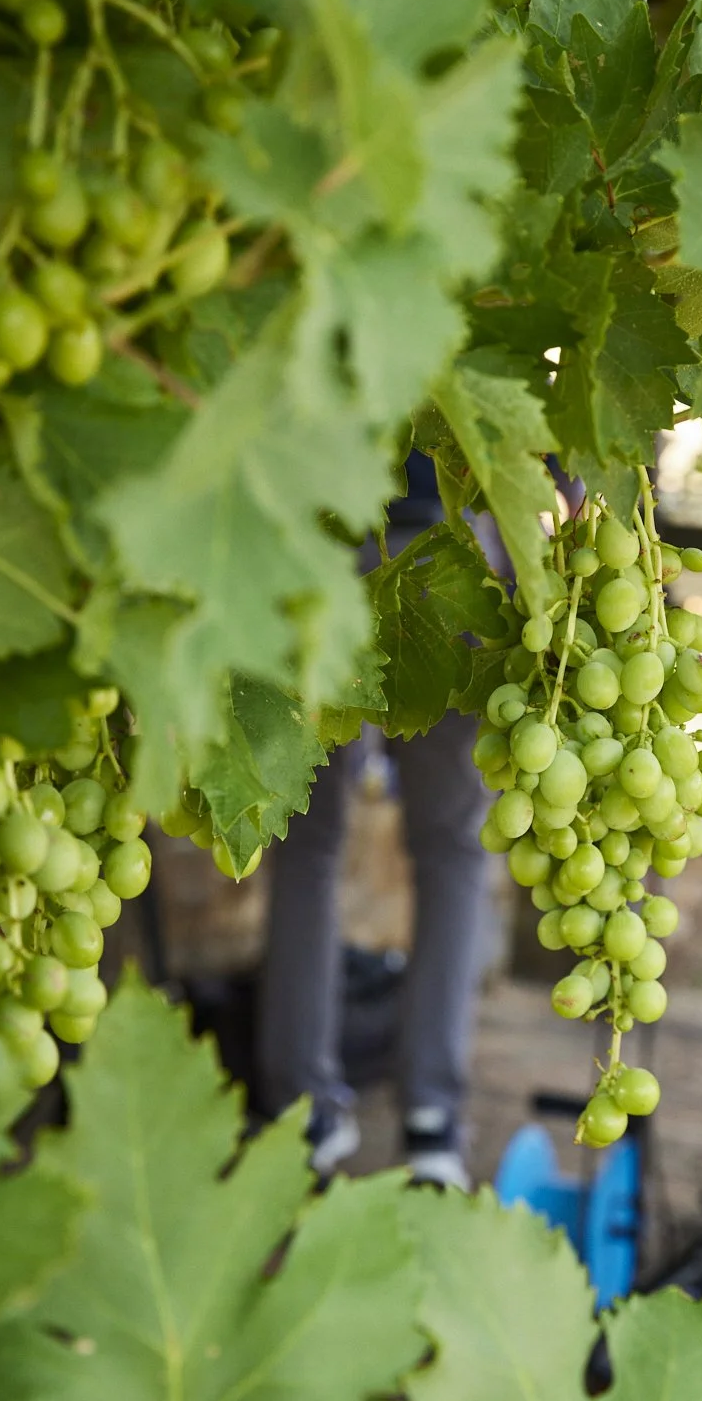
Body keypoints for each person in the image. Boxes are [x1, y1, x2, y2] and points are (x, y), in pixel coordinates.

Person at [255, 457, 493, 1187]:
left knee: (305, 844)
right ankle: (430, 1121)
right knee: (452, 850)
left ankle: (303, 1111)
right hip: (452, 553)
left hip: (323, 540)